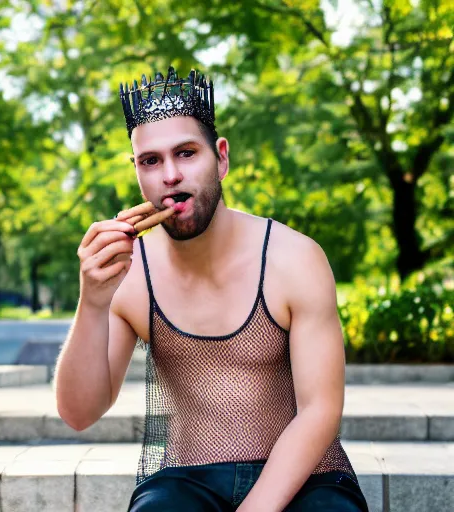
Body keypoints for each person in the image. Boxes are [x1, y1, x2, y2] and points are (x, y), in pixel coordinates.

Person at [54, 66, 369, 512]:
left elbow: (320, 409)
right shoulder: (130, 271)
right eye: (151, 161)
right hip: (184, 484)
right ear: (138, 172)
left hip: (310, 481)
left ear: (220, 157)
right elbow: (79, 413)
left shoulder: (294, 258)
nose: (170, 175)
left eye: (186, 153)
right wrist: (92, 300)